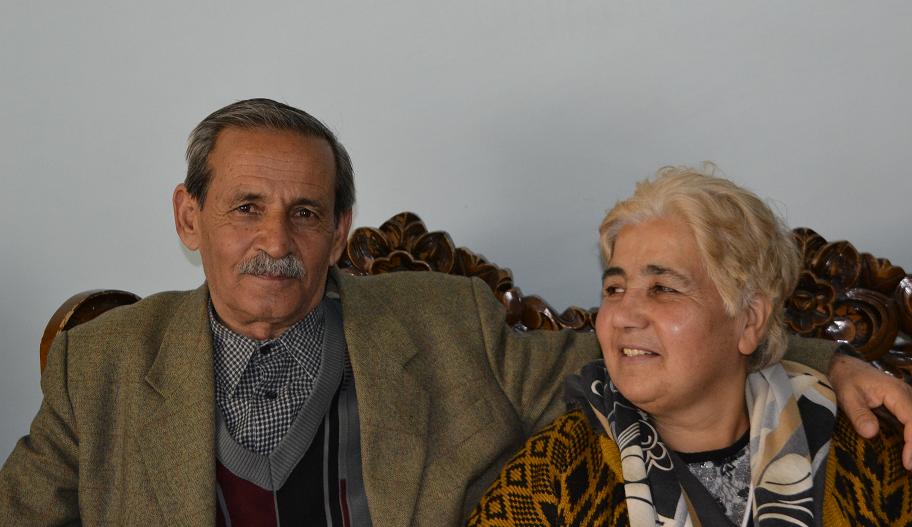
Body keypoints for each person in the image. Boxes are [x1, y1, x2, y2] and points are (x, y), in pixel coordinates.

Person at [0, 101, 907, 526]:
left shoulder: (444, 326)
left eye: (306, 212)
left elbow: (646, 354)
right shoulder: (101, 360)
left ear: (339, 231)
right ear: (188, 218)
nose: (276, 239)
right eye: (245, 207)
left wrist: (823, 357)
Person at [468, 166, 912, 526]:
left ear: (749, 320)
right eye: (614, 289)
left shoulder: (865, 446)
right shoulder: (554, 477)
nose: (623, 316)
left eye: (662, 288)